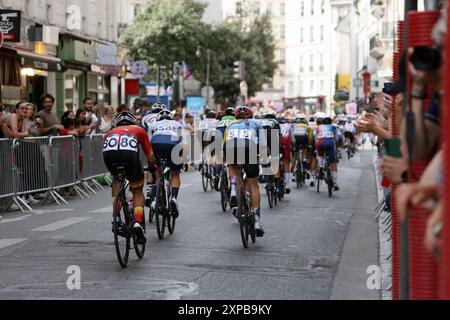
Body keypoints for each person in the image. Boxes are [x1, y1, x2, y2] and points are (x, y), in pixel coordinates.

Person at [103, 111, 155, 245]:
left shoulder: (110, 132)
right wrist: (152, 167)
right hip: (129, 156)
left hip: (110, 156)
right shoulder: (139, 130)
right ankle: (137, 222)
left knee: (116, 179)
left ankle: (116, 217)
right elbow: (149, 154)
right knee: (137, 190)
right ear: (134, 122)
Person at [224, 106, 266, 236]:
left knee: (232, 166)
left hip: (231, 146)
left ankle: (232, 190)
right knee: (253, 185)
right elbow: (263, 146)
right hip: (250, 148)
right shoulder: (256, 124)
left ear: (236, 117)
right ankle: (257, 222)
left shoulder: (230, 124)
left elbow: (223, 145)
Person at [147, 109, 183, 218]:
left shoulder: (153, 125)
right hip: (173, 145)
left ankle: (153, 200)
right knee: (175, 174)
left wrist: (150, 163)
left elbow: (148, 144)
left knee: (157, 173)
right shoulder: (177, 124)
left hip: (156, 144)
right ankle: (173, 199)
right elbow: (182, 142)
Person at [142, 102, 167, 207]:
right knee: (160, 170)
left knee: (150, 167)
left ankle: (148, 191)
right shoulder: (165, 117)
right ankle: (160, 188)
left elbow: (142, 132)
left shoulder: (145, 118)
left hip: (149, 144)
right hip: (163, 143)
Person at [213, 107, 235, 190]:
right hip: (230, 138)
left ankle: (217, 174)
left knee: (219, 156)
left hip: (218, 135)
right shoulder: (235, 119)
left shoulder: (221, 120)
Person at [315, 116, 339, 191]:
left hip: (320, 143)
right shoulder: (333, 127)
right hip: (330, 144)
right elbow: (336, 139)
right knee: (333, 163)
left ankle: (321, 166)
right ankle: (334, 182)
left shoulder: (318, 128)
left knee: (320, 154)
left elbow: (316, 139)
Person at [278, 115, 295, 194]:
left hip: (276, 141)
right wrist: (293, 145)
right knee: (286, 163)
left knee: (275, 162)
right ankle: (287, 186)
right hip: (286, 141)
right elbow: (292, 139)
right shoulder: (288, 126)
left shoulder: (274, 125)